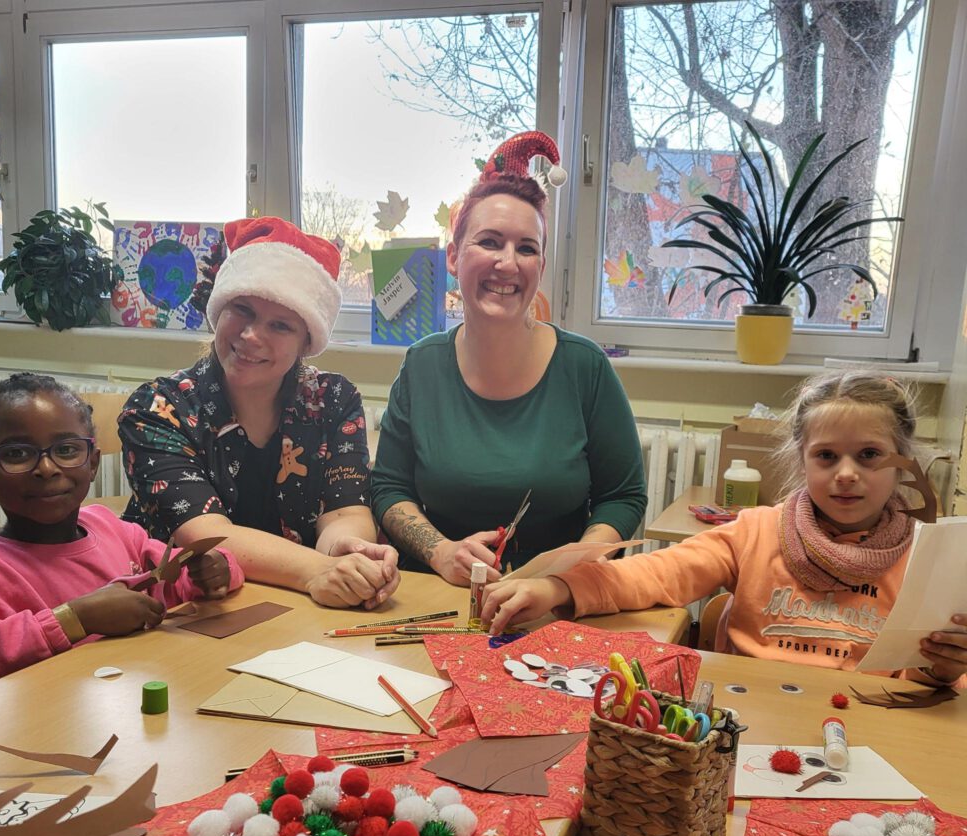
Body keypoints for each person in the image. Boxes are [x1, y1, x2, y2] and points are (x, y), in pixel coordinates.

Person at [482, 371, 966, 684]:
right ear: (801, 460)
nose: (845, 473)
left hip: (867, 732)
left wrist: (944, 669)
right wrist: (556, 587)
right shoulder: (756, 531)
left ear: (903, 463)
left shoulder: (930, 558)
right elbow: (657, 573)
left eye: (868, 455)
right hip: (746, 723)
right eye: (826, 456)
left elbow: (931, 682)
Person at [370, 131, 647, 586]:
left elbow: (624, 496)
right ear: (455, 257)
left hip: (551, 604)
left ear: (540, 265)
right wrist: (440, 552)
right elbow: (389, 488)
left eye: (526, 248)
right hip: (438, 599)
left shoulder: (584, 367)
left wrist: (570, 572)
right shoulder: (422, 366)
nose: (508, 263)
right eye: (490, 242)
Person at [119, 217, 400, 610]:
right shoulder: (157, 410)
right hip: (181, 614)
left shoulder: (334, 399)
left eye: (280, 325)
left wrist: (347, 551)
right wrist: (316, 571)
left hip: (294, 608)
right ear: (218, 309)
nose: (251, 336)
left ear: (306, 340)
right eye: (242, 310)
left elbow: (343, 510)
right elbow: (208, 535)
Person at [0, 373, 242, 698]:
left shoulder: (115, 530)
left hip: (127, 712)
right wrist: (72, 620)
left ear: (93, 463)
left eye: (67, 449)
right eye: (17, 454)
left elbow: (179, 581)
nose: (46, 468)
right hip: (39, 731)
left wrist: (212, 571)